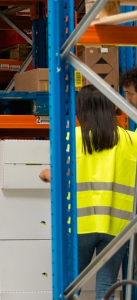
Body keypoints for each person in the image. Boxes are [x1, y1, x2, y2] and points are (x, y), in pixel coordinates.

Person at [39, 85, 137, 300]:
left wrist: (46, 173)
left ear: (81, 109)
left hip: (80, 224)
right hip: (117, 225)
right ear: (112, 107)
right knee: (107, 285)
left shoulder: (70, 138)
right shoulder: (131, 140)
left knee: (72, 286)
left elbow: (57, 175)